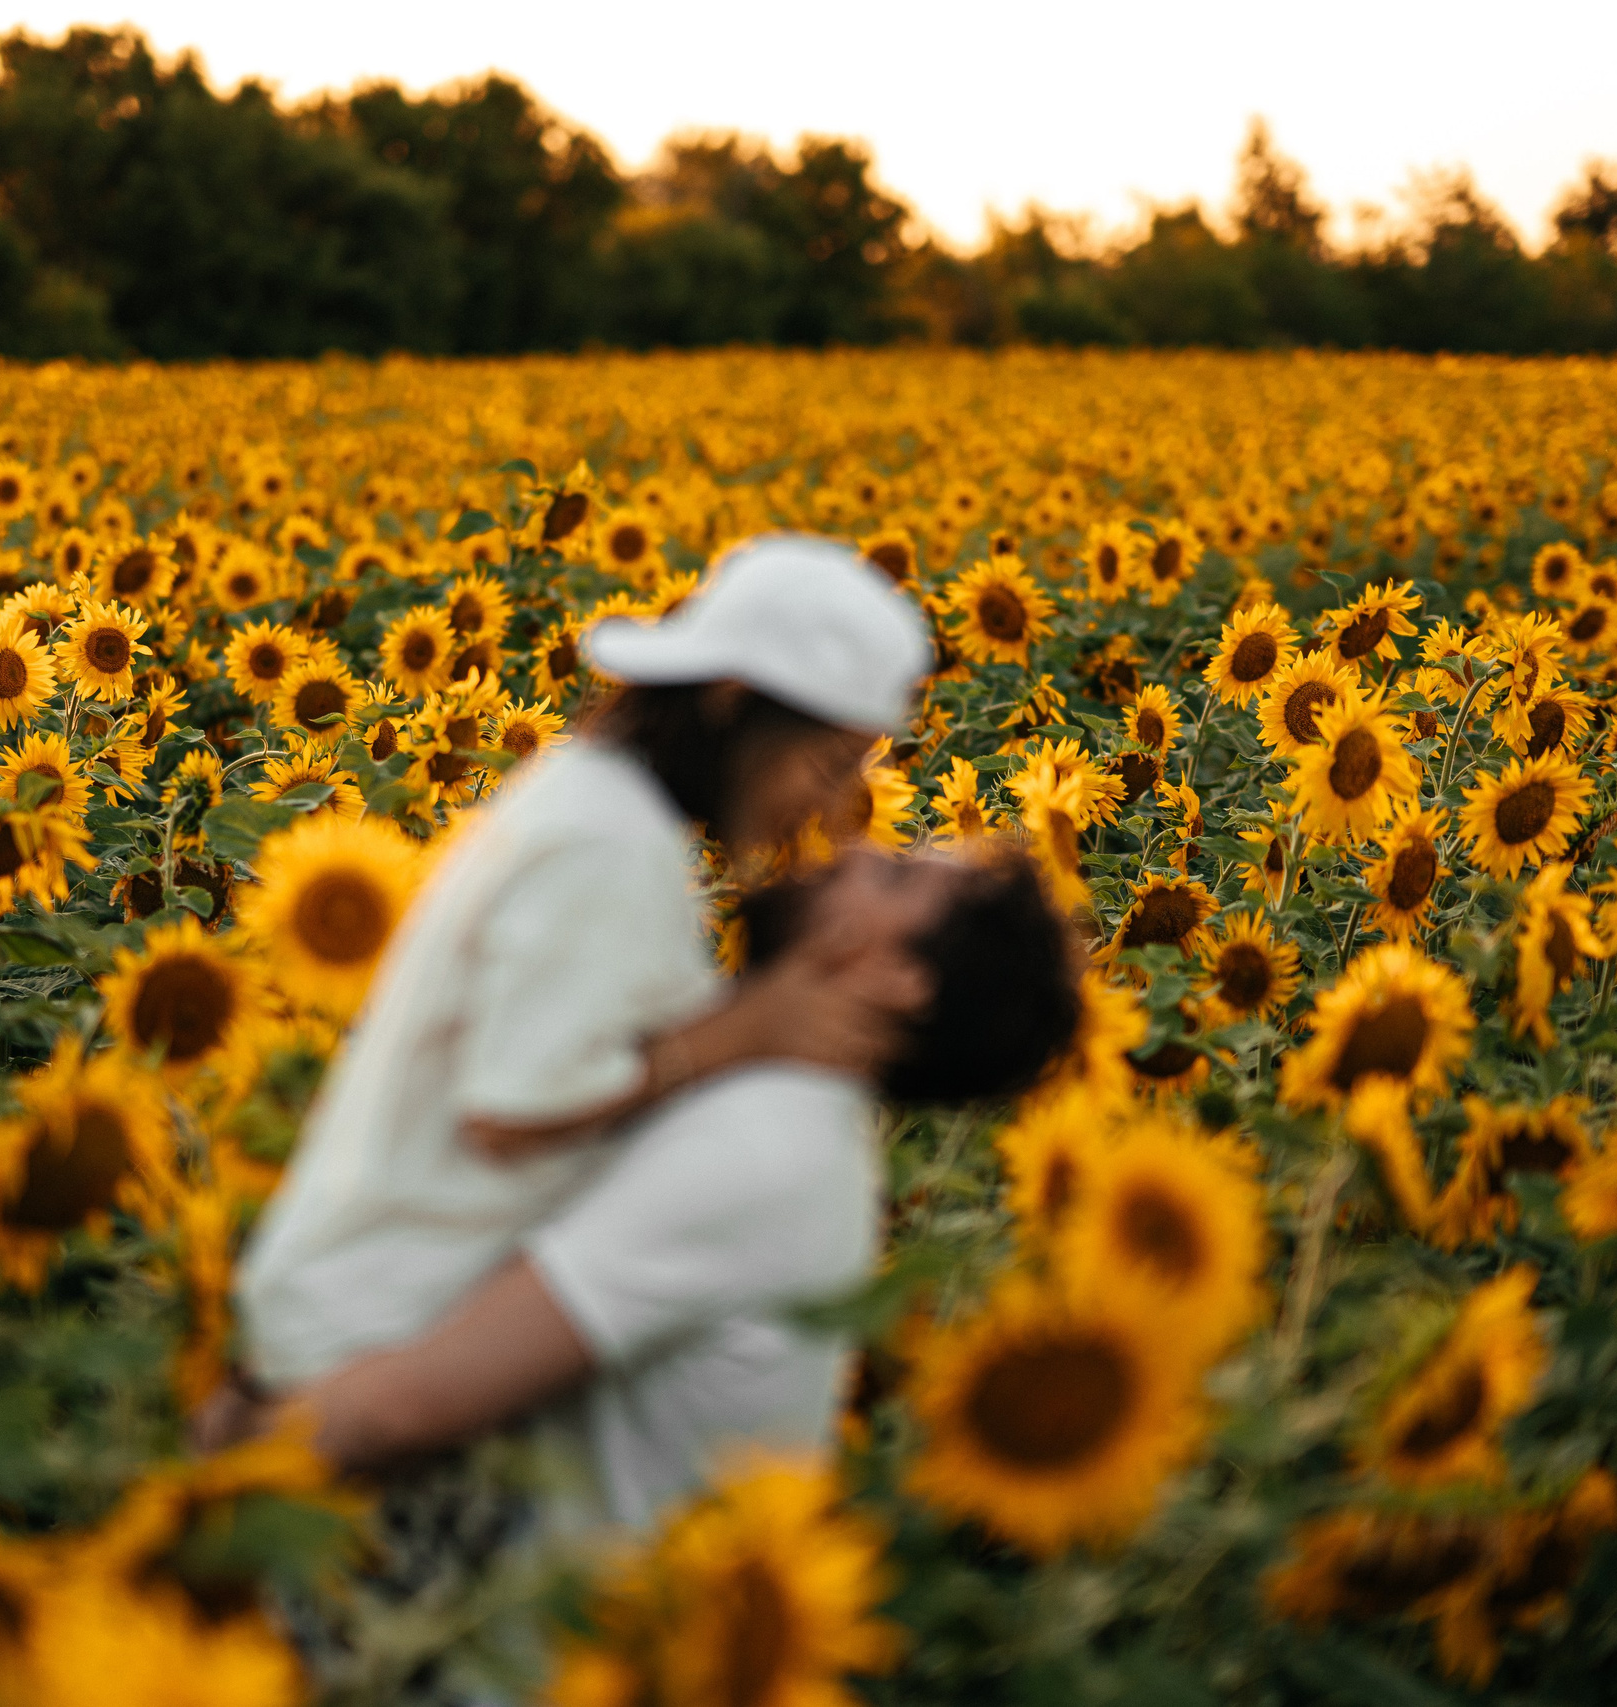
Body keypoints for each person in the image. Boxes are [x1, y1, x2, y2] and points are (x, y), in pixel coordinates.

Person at [222, 536, 936, 1415]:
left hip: (380, 1332)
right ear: (731, 701)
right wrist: (745, 1031)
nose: (832, 810)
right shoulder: (608, 842)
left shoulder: (602, 808)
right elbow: (513, 1108)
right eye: (828, 765)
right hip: (361, 1358)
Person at [195, 846, 1084, 1531]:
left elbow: (404, 1407)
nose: (851, 850)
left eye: (890, 875)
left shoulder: (759, 1149)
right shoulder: (780, 1114)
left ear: (900, 978)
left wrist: (197, 1471)